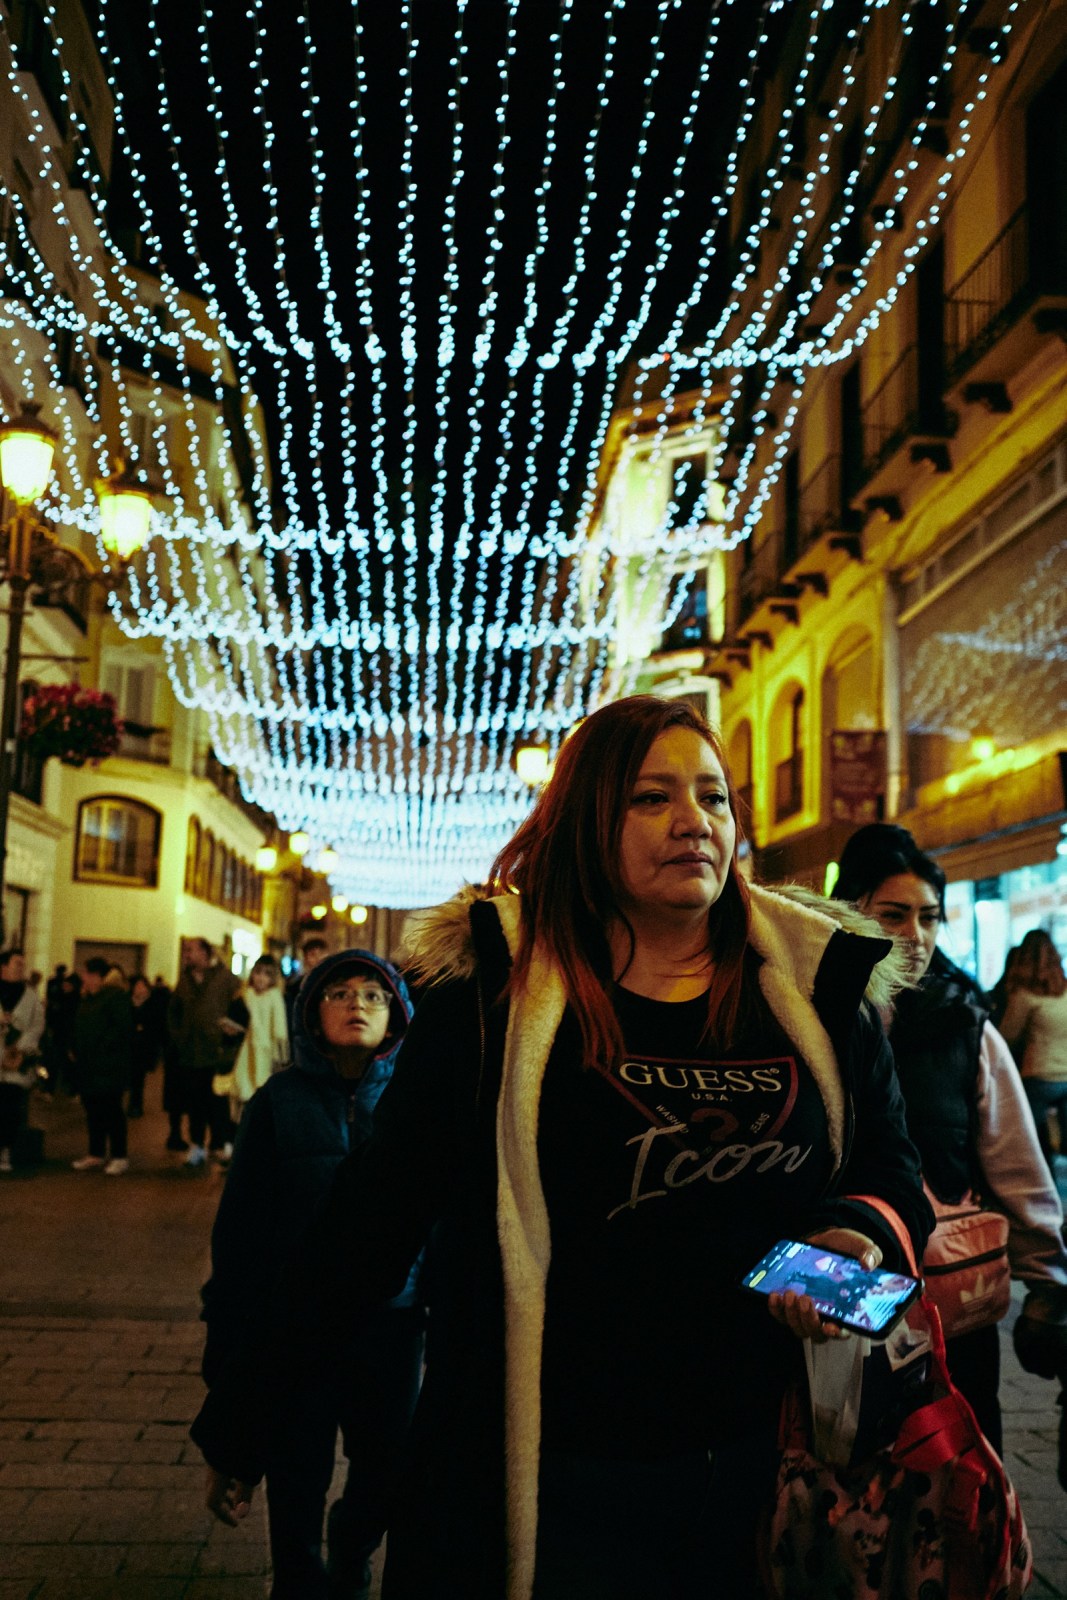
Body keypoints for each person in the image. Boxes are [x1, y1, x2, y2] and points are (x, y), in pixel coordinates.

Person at [192, 695, 931, 1600]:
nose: (693, 821)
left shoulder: (815, 988)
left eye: (712, 797)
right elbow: (370, 1219)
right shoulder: (493, 1000)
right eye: (651, 798)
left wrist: (853, 1234)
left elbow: (889, 1166)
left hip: (766, 1461)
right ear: (585, 821)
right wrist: (247, 1416)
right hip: (547, 1470)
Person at [832, 822, 1067, 1452]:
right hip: (838, 1298)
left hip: (949, 1310)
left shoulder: (966, 1028)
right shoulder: (811, 1019)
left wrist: (1046, 1284)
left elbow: (1016, 1164)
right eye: (894, 915)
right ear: (849, 912)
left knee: (957, 1463)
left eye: (930, 917)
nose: (916, 935)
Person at [198, 949, 423, 1599]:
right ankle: (298, 1581)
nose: (357, 1004)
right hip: (299, 1320)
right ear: (311, 1012)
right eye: (339, 993)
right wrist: (228, 1355)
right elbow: (240, 1236)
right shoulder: (278, 1103)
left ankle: (352, 1544)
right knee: (296, 1468)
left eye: (373, 995)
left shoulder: (415, 1103)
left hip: (391, 1324)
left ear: (396, 1015)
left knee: (385, 1469)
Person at [168, 938, 241, 1168]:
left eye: (191, 950)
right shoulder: (185, 980)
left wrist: (229, 1037)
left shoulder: (225, 978)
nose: (187, 954)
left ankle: (221, 1144)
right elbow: (173, 1012)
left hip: (218, 1054)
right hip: (191, 1054)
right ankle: (197, 1145)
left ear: (204, 952)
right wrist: (179, 1038)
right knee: (195, 1103)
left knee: (218, 1102)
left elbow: (239, 1011)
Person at [999, 929, 1067, 1174]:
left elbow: (1006, 1036)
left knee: (1035, 1138)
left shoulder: (1024, 995)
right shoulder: (1065, 992)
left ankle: (1044, 1181)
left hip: (1039, 1076)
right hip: (1066, 1077)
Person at [71, 956, 134, 1175]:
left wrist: (102, 1046)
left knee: (112, 1110)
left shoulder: (114, 997)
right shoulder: (88, 999)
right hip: (88, 1066)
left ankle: (119, 1155)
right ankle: (95, 1153)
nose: (84, 978)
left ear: (98, 976)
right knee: (93, 1110)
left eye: (87, 974)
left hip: (109, 1067)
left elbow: (122, 1029)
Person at [0, 950, 46, 1173]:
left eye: (23, 964)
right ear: (3, 966)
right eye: (17, 963)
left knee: (9, 1108)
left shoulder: (30, 996)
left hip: (16, 1062)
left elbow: (37, 1025)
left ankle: (5, 1150)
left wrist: (19, 1049)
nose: (21, 968)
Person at [229, 955, 289, 1113]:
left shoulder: (274, 997)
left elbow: (280, 1030)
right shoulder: (246, 995)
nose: (261, 978)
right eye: (258, 972)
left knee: (261, 1090)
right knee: (243, 1089)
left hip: (266, 1052)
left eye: (267, 974)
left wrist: (280, 1056)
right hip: (246, 1049)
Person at [129, 975, 166, 1118]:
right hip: (130, 1044)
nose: (140, 989)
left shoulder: (152, 1003)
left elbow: (157, 1023)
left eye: (142, 986)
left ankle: (136, 1105)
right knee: (131, 1076)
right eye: (137, 986)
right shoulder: (128, 1002)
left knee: (138, 1077)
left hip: (144, 1046)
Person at [285, 935, 328, 1029]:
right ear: (305, 958)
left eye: (321, 954)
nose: (318, 959)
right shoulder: (294, 987)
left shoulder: (334, 984)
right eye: (313, 955)